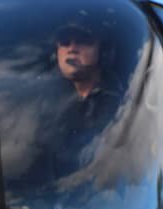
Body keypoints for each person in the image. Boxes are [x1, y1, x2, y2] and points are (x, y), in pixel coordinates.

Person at [46, 13, 122, 174]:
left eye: (83, 41)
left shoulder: (124, 102)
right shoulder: (42, 101)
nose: (72, 49)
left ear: (104, 52)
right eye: (65, 42)